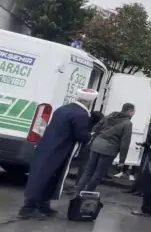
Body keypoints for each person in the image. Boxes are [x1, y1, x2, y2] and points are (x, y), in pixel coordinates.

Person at [18, 89, 98, 219]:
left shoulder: (63, 108)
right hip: (60, 149)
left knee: (44, 176)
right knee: (46, 178)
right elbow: (81, 135)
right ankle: (30, 207)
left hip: (47, 146)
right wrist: (91, 133)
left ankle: (42, 205)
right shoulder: (82, 114)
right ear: (91, 101)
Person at [75, 103, 135, 194]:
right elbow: (125, 143)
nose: (134, 113)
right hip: (109, 150)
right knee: (98, 173)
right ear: (129, 111)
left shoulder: (109, 116)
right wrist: (122, 160)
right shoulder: (127, 124)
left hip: (96, 145)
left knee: (88, 171)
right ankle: (87, 193)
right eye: (133, 111)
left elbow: (95, 128)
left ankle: (78, 191)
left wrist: (98, 138)